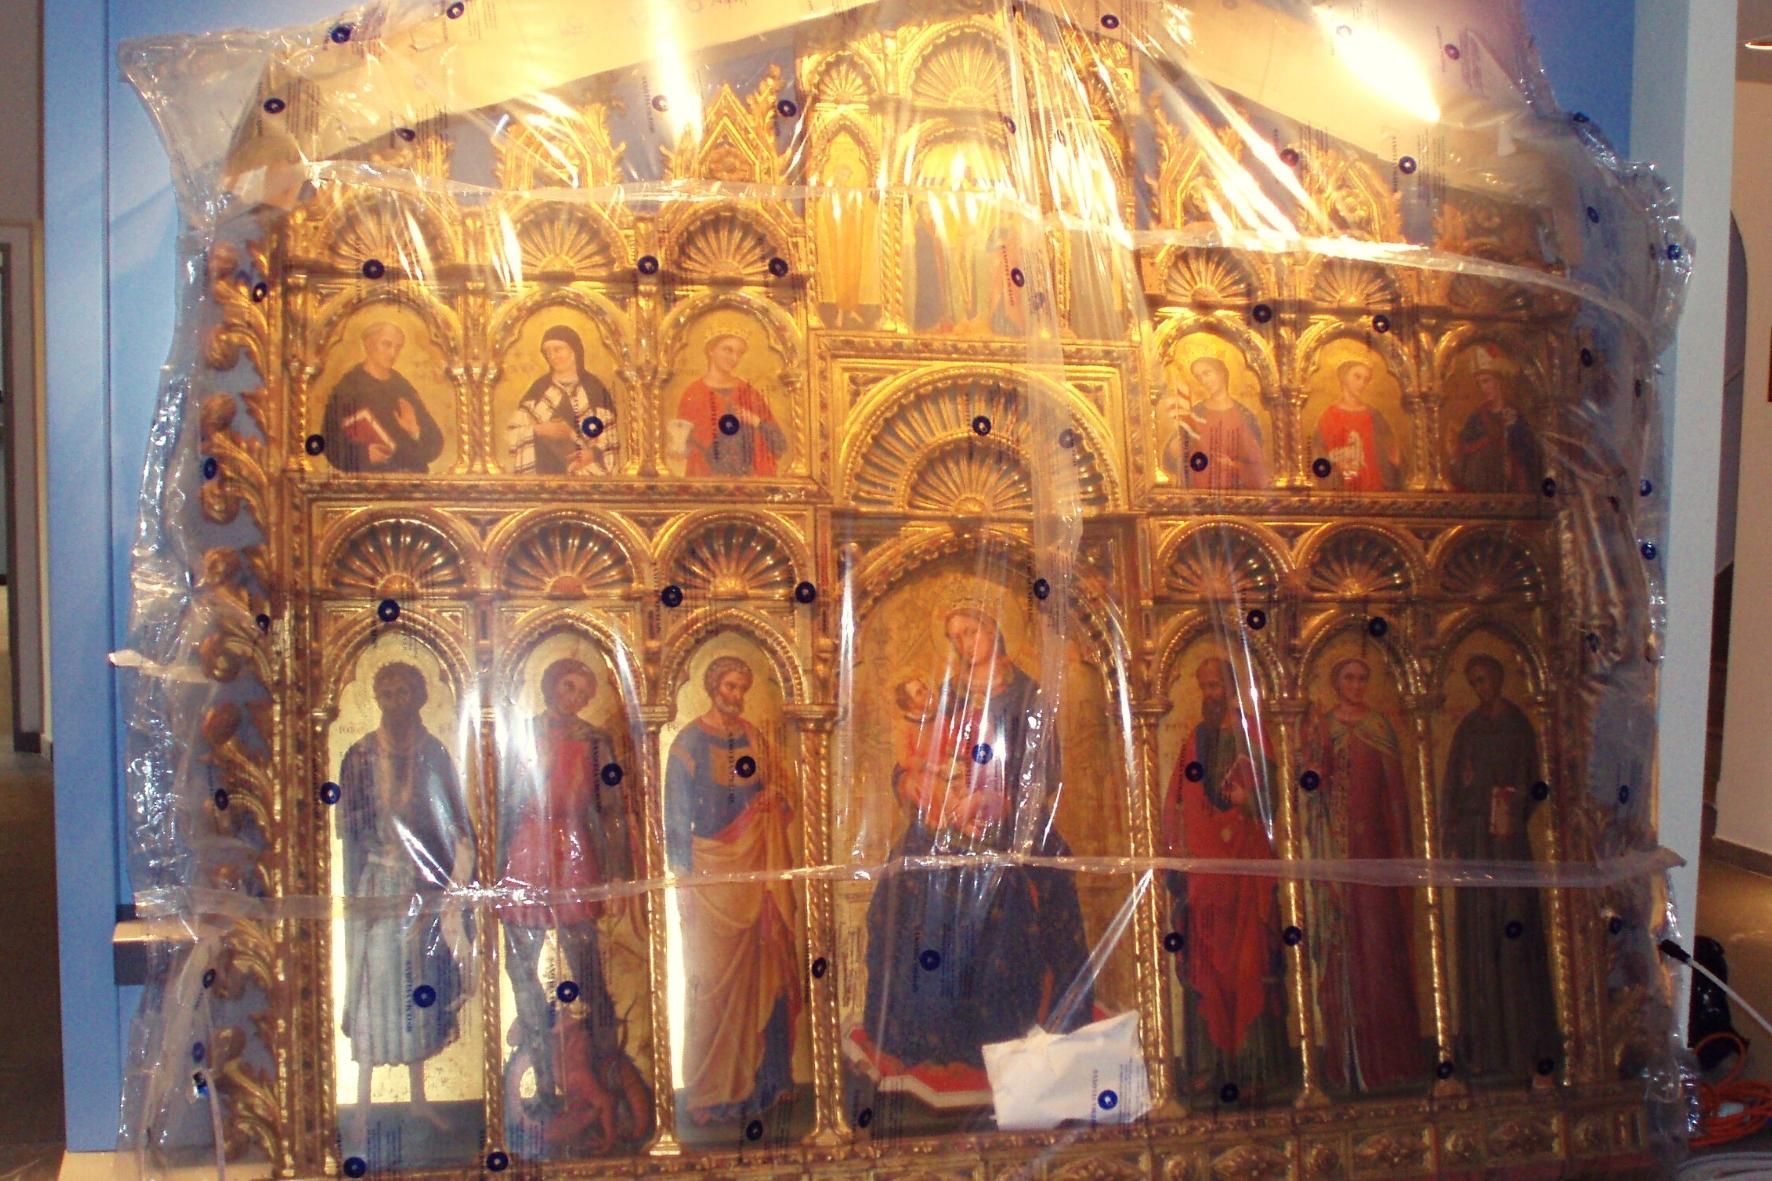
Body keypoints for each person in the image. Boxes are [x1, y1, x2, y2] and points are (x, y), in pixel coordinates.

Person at [855, 607, 1091, 1095]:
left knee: (1009, 901)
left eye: (971, 631)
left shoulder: (1028, 696)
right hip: (946, 821)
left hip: (1009, 826)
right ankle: (925, 1036)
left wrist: (994, 800)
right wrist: (910, 783)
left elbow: (1045, 772)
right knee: (902, 891)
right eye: (955, 636)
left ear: (994, 631)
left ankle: (1002, 1037)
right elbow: (918, 754)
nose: (964, 643)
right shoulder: (948, 694)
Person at [498, 657, 651, 1149]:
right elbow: (502, 800)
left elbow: (611, 806)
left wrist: (618, 871)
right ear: (548, 686)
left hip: (575, 852)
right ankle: (545, 1082)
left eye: (583, 693)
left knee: (588, 967)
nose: (575, 699)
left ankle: (605, 1069)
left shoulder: (595, 739)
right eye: (568, 687)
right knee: (523, 969)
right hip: (526, 850)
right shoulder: (522, 733)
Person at [664, 656, 801, 1125]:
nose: (736, 695)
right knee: (711, 981)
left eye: (742, 686)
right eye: (729, 685)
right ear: (711, 687)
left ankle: (769, 1081)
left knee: (767, 965)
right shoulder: (688, 743)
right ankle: (709, 1091)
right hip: (710, 875)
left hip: (757, 868)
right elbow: (676, 820)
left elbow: (785, 789)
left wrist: (773, 799)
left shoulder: (755, 737)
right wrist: (683, 878)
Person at [337, 662, 474, 1130]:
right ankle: (361, 1107)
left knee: (417, 985)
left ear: (418, 698)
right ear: (377, 699)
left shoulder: (433, 753)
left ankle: (417, 1098)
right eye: (387, 693)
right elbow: (350, 830)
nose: (394, 702)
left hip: (421, 888)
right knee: (374, 986)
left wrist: (443, 885)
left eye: (403, 693)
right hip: (378, 885)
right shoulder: (360, 756)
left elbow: (453, 822)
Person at [1160, 657, 1291, 1100]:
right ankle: (1209, 1067)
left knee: (1250, 964)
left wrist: (1245, 801)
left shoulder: (1255, 737)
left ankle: (1256, 1069)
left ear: (1232, 689)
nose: (1209, 694)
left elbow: (1274, 802)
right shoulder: (1195, 740)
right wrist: (1177, 852)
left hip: (1246, 875)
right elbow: (1177, 802)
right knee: (1205, 968)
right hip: (1207, 877)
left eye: (1216, 685)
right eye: (1204, 686)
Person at [1301, 657, 1426, 1092]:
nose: (1356, 685)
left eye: (1362, 678)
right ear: (1336, 683)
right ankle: (1348, 1062)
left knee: (1380, 946)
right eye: (1349, 678)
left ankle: (1392, 1058)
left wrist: (1402, 852)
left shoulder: (1379, 726)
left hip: (1377, 854)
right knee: (1346, 949)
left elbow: (1396, 795)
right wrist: (1313, 774)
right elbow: (1311, 789)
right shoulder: (1324, 727)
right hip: (1339, 856)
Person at [1440, 654, 1559, 1079]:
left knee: (1513, 931)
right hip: (1475, 841)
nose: (1480, 687)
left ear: (1499, 678)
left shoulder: (1517, 725)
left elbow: (1534, 781)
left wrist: (1512, 806)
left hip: (1508, 841)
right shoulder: (1469, 727)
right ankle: (1484, 1044)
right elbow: (1453, 786)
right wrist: (1452, 834)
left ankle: (1523, 1043)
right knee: (1479, 934)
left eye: (1485, 678)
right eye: (1473, 681)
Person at [321, 322, 446, 474]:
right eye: (386, 345)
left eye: (398, 347)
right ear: (368, 344)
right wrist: (364, 454)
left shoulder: (402, 386)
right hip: (368, 481)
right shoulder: (349, 386)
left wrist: (414, 431)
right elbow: (330, 443)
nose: (393, 353)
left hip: (410, 479)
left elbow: (435, 445)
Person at [505, 324, 620, 476]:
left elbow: (610, 437)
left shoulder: (593, 389)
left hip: (585, 477)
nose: (552, 356)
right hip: (542, 475)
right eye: (548, 352)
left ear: (574, 350)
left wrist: (592, 454)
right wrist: (539, 430)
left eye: (558, 349)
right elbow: (512, 433)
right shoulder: (539, 389)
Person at [671, 334, 787, 477]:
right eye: (728, 350)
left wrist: (755, 421)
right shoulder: (694, 393)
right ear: (711, 350)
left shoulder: (748, 392)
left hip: (749, 481)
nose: (734, 358)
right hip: (707, 479)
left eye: (739, 353)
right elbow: (681, 446)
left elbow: (780, 444)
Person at [1160, 356, 1270, 490]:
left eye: (1206, 373)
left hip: (1235, 493)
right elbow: (1171, 460)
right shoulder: (1196, 412)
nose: (1203, 381)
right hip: (1198, 493)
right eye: (1198, 377)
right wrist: (1173, 451)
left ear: (1222, 373)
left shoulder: (1246, 416)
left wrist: (1232, 465)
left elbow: (1257, 468)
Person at [1448, 346, 1538, 493]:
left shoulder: (1516, 416)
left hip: (1512, 489)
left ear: (1499, 381)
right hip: (1482, 486)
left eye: (1486, 381)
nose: (1483, 388)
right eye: (1479, 383)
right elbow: (1463, 455)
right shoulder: (1476, 418)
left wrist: (1513, 430)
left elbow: (1529, 456)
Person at [1310, 360, 1402, 491]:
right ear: (1344, 377)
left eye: (1366, 380)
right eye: (1357, 377)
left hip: (1374, 489)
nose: (1361, 384)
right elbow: (1318, 455)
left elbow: (1392, 453)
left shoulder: (1374, 416)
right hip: (1339, 489)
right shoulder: (1328, 416)